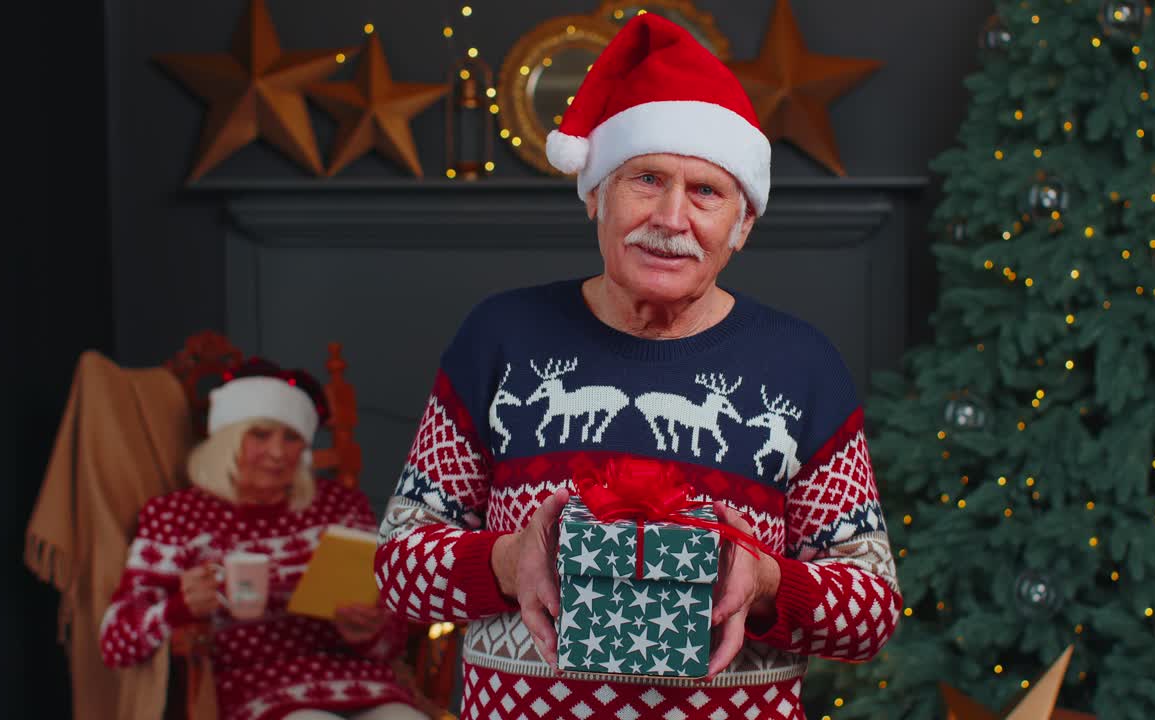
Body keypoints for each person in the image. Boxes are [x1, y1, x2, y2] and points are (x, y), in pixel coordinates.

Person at [374, 13, 901, 720]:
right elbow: (397, 568)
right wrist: (508, 561)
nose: (672, 218)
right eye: (646, 179)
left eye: (706, 193)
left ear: (742, 224)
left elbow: (870, 614)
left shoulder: (800, 365)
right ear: (595, 193)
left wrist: (767, 579)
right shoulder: (501, 336)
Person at [101, 359, 426, 720]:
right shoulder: (175, 517)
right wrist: (179, 607)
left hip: (359, 681)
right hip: (251, 689)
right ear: (226, 438)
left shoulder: (338, 504)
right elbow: (116, 642)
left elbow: (393, 640)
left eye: (291, 438)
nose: (278, 452)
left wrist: (369, 630)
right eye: (260, 434)